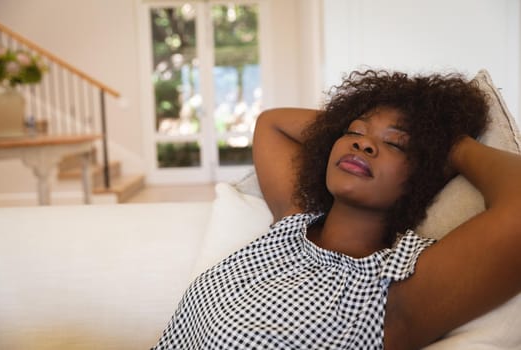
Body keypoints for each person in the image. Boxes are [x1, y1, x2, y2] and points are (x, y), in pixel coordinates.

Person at [151, 70, 521, 349]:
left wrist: (447, 148)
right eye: (355, 132)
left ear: (425, 173)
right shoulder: (294, 224)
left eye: (396, 144)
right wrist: (342, 130)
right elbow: (272, 124)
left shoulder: (395, 288)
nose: (364, 146)